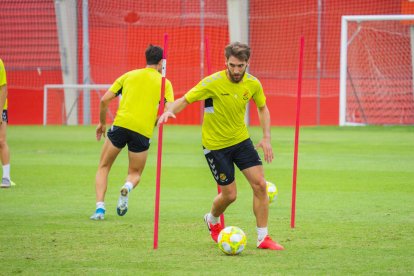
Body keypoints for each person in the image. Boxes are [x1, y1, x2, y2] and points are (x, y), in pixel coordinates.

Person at [158, 42, 284, 250]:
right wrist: (170, 110)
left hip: (241, 141)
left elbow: (262, 108)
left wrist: (266, 137)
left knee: (260, 185)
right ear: (226, 62)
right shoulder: (211, 82)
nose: (236, 70)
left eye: (240, 66)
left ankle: (263, 238)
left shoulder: (253, 84)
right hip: (216, 146)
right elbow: (187, 99)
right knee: (230, 195)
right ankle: (212, 219)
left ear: (247, 64)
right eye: (232, 65)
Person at [90, 45, 174, 220]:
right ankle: (127, 187)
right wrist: (158, 119)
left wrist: (102, 123)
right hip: (142, 132)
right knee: (135, 174)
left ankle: (99, 209)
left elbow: (105, 100)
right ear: (161, 62)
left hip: (121, 125)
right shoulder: (165, 83)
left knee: (103, 167)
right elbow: (169, 110)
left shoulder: (128, 76)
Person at [0, 58, 15, 189]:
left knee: (1, 141)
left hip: (0, 107)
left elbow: (3, 89)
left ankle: (6, 177)